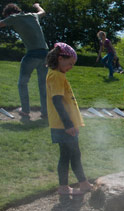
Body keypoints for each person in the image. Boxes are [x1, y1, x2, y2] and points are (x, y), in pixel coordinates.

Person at [45, 43, 93, 195]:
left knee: (69, 155)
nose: (71, 67)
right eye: (70, 63)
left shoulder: (57, 74)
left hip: (65, 125)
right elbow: (57, 101)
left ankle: (70, 185)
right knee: (72, 155)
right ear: (60, 58)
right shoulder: (56, 76)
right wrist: (68, 124)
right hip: (63, 125)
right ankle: (75, 185)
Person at [0, 3, 48, 118]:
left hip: (32, 54)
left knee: (22, 83)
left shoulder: (13, 18)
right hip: (45, 55)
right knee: (43, 85)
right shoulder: (33, 15)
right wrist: (37, 5)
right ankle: (45, 112)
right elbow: (43, 12)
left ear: (10, 13)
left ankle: (25, 110)